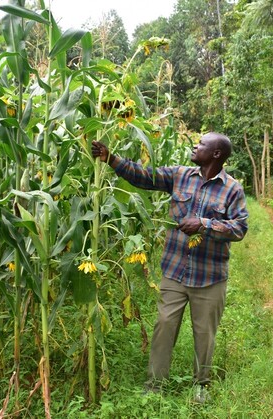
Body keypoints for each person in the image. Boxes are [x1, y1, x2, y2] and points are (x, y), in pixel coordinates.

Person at [91, 132, 248, 403]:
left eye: (201, 144)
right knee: (164, 326)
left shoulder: (232, 189)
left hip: (210, 277)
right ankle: (155, 384)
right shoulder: (179, 175)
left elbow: (239, 228)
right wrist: (111, 159)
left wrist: (204, 224)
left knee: (204, 334)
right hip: (175, 270)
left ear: (216, 154)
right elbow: (144, 176)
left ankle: (201, 385)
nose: (195, 146)